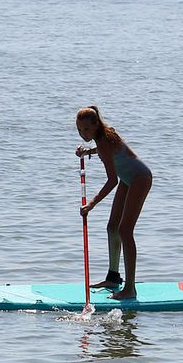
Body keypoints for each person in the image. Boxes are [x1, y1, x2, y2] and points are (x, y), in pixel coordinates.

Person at [75, 106, 153, 300]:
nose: (83, 133)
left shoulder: (106, 140)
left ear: (96, 125)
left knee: (125, 230)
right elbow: (105, 151)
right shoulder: (102, 138)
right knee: (112, 227)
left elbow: (112, 181)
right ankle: (113, 278)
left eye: (86, 129)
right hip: (129, 179)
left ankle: (130, 288)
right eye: (79, 130)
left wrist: (91, 204)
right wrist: (87, 151)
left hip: (139, 179)